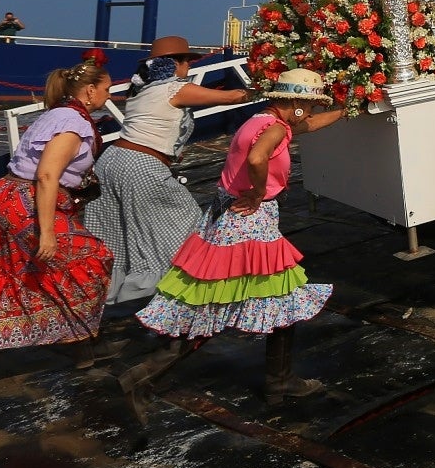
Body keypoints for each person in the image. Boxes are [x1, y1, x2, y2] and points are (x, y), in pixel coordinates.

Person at [120, 69, 345, 420]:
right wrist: (257, 192)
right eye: (310, 104)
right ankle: (139, 379)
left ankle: (279, 382)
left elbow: (308, 128)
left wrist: (349, 110)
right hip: (248, 225)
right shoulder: (273, 128)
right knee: (226, 306)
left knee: (273, 301)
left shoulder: (262, 120)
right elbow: (258, 159)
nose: (312, 112)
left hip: (229, 220)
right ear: (296, 103)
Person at [0, 61, 114, 394]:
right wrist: (46, 232)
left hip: (4, 198)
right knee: (93, 259)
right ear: (90, 90)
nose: (108, 93)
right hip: (25, 203)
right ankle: (84, 342)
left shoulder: (58, 114)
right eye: (105, 88)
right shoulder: (73, 124)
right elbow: (46, 176)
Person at [93, 36, 252, 305]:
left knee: (118, 234)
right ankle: (154, 298)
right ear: (174, 64)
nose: (189, 66)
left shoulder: (141, 90)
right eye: (186, 61)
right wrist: (271, 89)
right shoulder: (174, 89)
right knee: (183, 221)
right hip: (140, 166)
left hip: (111, 162)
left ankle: (107, 298)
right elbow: (231, 96)